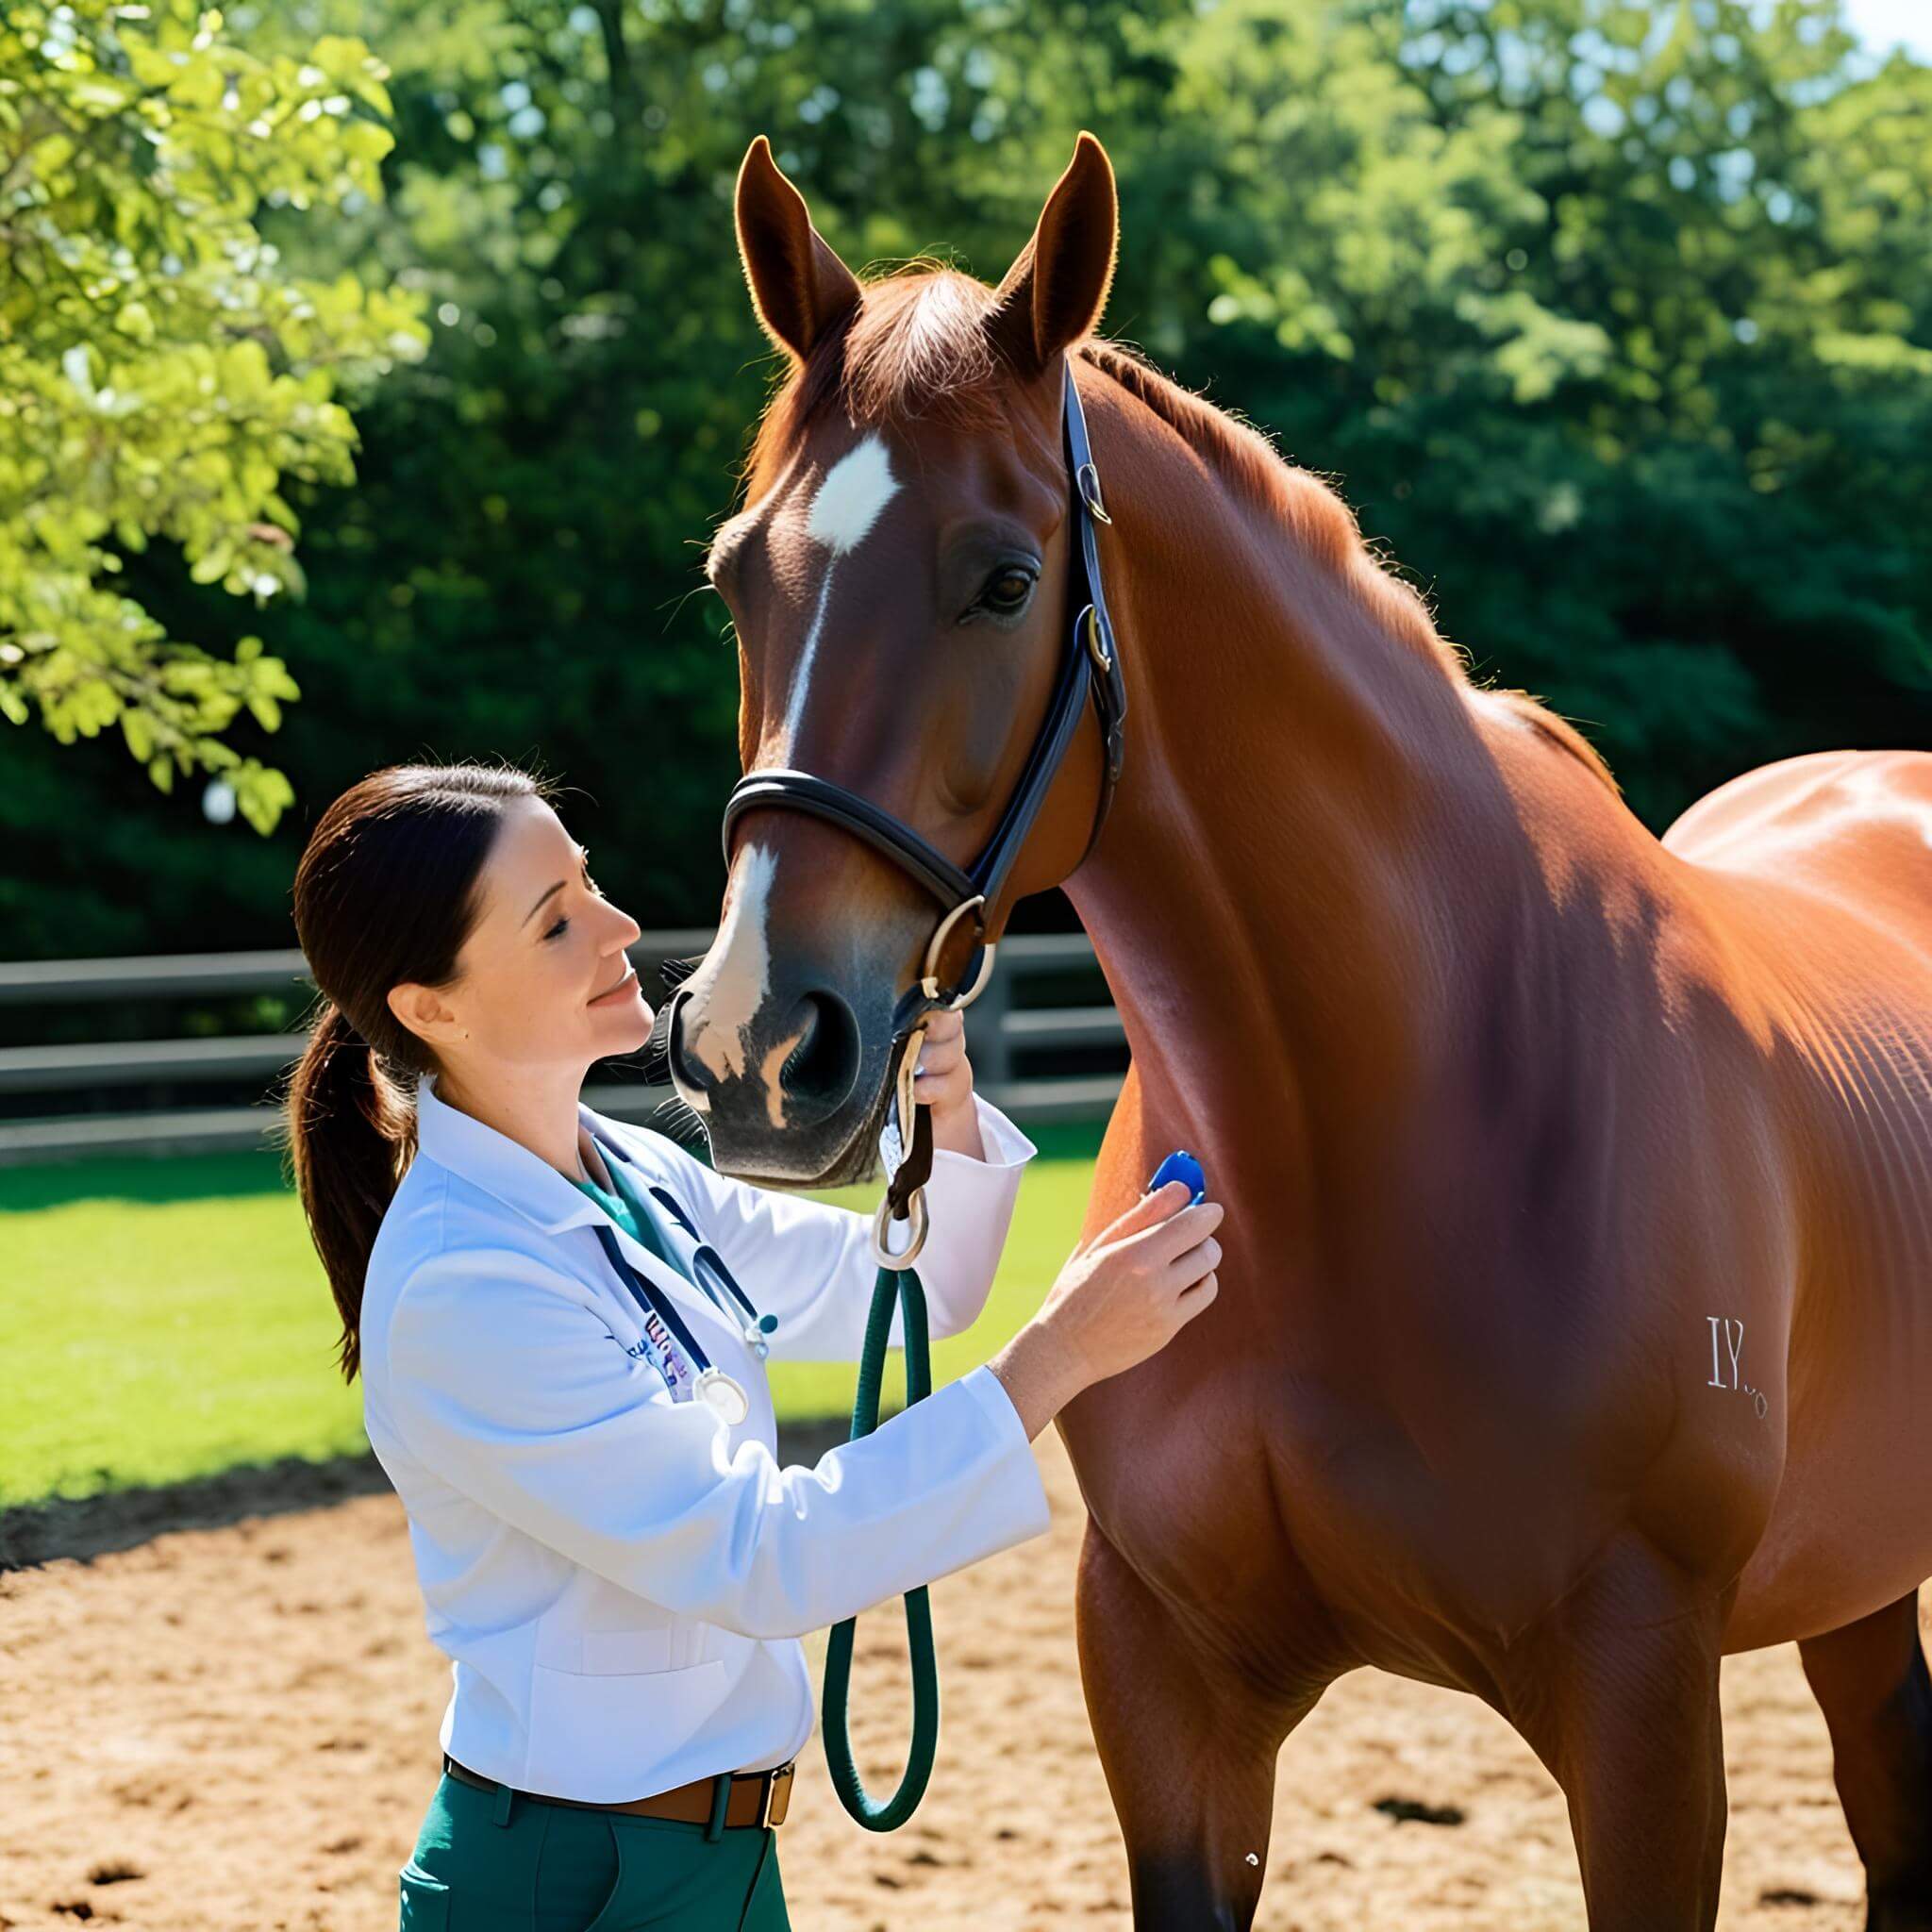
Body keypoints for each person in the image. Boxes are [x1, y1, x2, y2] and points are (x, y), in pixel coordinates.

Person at [282, 759, 1224, 1932]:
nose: (620, 926)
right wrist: (1060, 1356)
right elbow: (762, 1557)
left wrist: (940, 1121)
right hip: (573, 1878)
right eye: (557, 919)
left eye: (589, 882)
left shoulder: (632, 1174)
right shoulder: (464, 1285)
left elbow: (913, 1291)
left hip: (707, 1859)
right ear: (433, 1007)